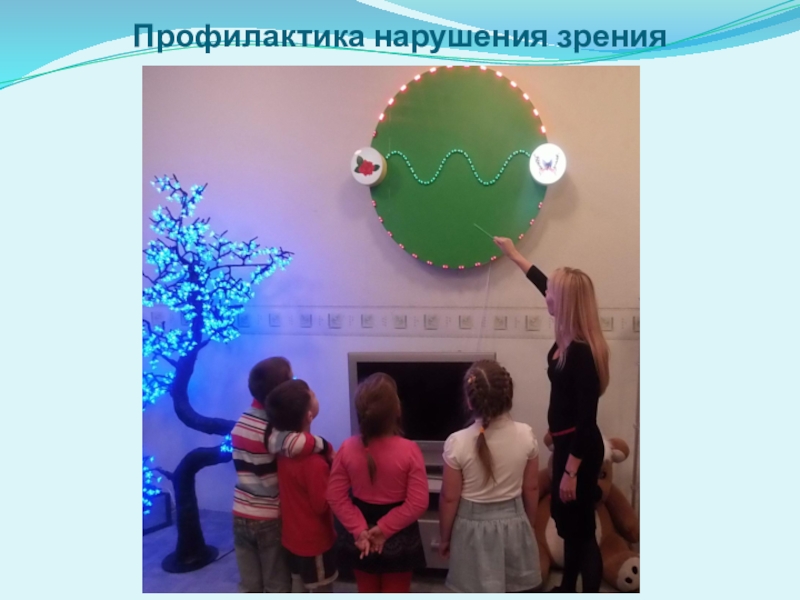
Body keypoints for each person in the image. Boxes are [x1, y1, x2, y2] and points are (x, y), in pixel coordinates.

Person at [493, 236, 610, 593]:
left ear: (566, 303)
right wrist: (514, 254)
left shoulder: (581, 354)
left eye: (552, 294)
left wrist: (571, 472)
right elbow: (542, 281)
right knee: (569, 527)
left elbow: (586, 423)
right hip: (566, 444)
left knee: (582, 533)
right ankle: (568, 587)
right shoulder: (568, 338)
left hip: (579, 451)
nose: (546, 296)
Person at [439, 360, 542, 593]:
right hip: (514, 525)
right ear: (509, 396)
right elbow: (532, 488)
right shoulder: (526, 435)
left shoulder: (457, 442)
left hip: (471, 532)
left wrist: (444, 538)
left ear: (469, 401)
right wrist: (529, 525)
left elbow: (448, 498)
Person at [231, 357, 333, 593]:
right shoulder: (273, 430)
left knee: (249, 584)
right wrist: (325, 446)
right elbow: (298, 443)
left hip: (240, 513)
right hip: (267, 516)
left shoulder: (243, 419)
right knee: (276, 583)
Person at [327, 373, 428, 593]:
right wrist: (384, 529)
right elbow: (418, 503)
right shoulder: (410, 450)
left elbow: (335, 496)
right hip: (398, 531)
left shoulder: (346, 447)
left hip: (362, 531)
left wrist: (359, 529)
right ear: (397, 411)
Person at [266, 378, 338, 593]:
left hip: (291, 538)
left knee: (299, 586)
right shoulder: (314, 463)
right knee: (321, 589)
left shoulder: (282, 451)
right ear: (309, 416)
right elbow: (321, 504)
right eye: (313, 395)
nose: (315, 394)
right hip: (315, 543)